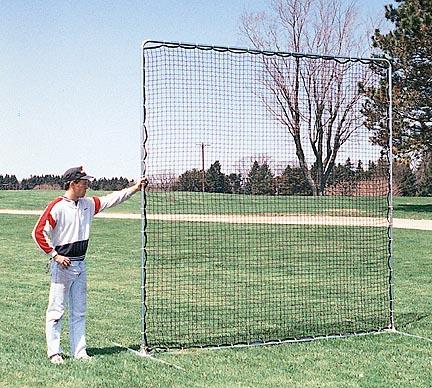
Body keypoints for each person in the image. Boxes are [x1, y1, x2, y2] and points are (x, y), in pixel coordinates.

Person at [32, 166, 147, 365]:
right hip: (62, 267)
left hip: (80, 265)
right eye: (84, 183)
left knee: (79, 311)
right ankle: (54, 353)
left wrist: (135, 188)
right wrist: (54, 255)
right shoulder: (57, 206)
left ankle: (80, 351)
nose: (87, 186)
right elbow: (38, 232)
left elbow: (113, 199)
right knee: (56, 311)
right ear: (73, 183)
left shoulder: (88, 204)